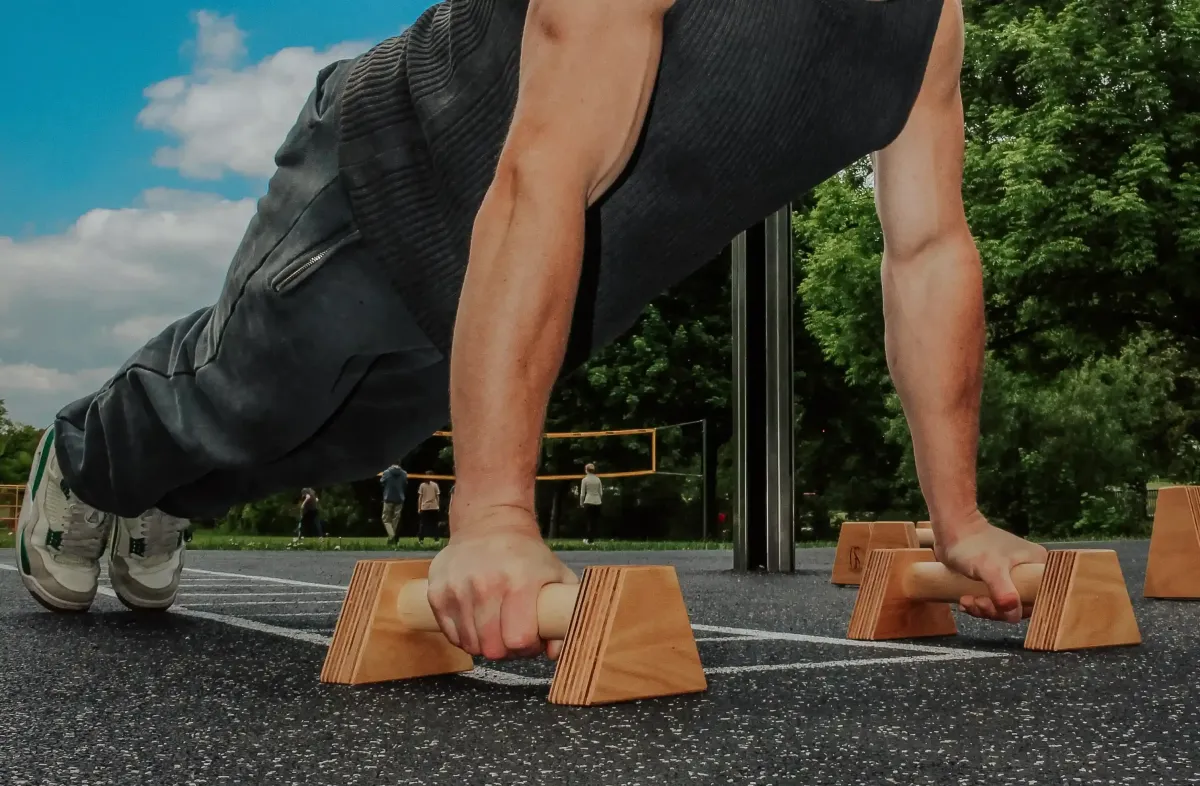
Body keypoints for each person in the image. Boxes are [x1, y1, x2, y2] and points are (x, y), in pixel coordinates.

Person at [15, 0, 1045, 663]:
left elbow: (929, 252)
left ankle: (161, 488)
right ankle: (95, 453)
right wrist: (497, 515)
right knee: (246, 393)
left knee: (340, 444)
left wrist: (959, 523)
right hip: (395, 185)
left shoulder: (928, 24)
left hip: (524, 301)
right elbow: (541, 174)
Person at [379, 462, 409, 545]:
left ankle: (392, 535)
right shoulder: (404, 473)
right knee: (396, 519)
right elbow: (405, 484)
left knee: (385, 518)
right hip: (400, 498)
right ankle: (392, 537)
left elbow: (382, 482)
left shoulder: (386, 472)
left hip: (388, 497)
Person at [579, 464, 603, 544]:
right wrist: (599, 500)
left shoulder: (585, 480)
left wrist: (581, 502)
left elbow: (582, 493)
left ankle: (589, 540)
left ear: (586, 470)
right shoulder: (598, 479)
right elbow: (601, 493)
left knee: (589, 521)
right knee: (594, 522)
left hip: (588, 501)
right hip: (597, 502)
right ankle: (592, 539)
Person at [417, 474, 442, 544]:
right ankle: (435, 539)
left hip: (426, 507)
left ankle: (421, 539)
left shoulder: (423, 485)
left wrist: (419, 508)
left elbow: (420, 498)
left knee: (424, 524)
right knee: (432, 524)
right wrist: (438, 505)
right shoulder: (434, 485)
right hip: (432, 507)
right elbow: (438, 497)